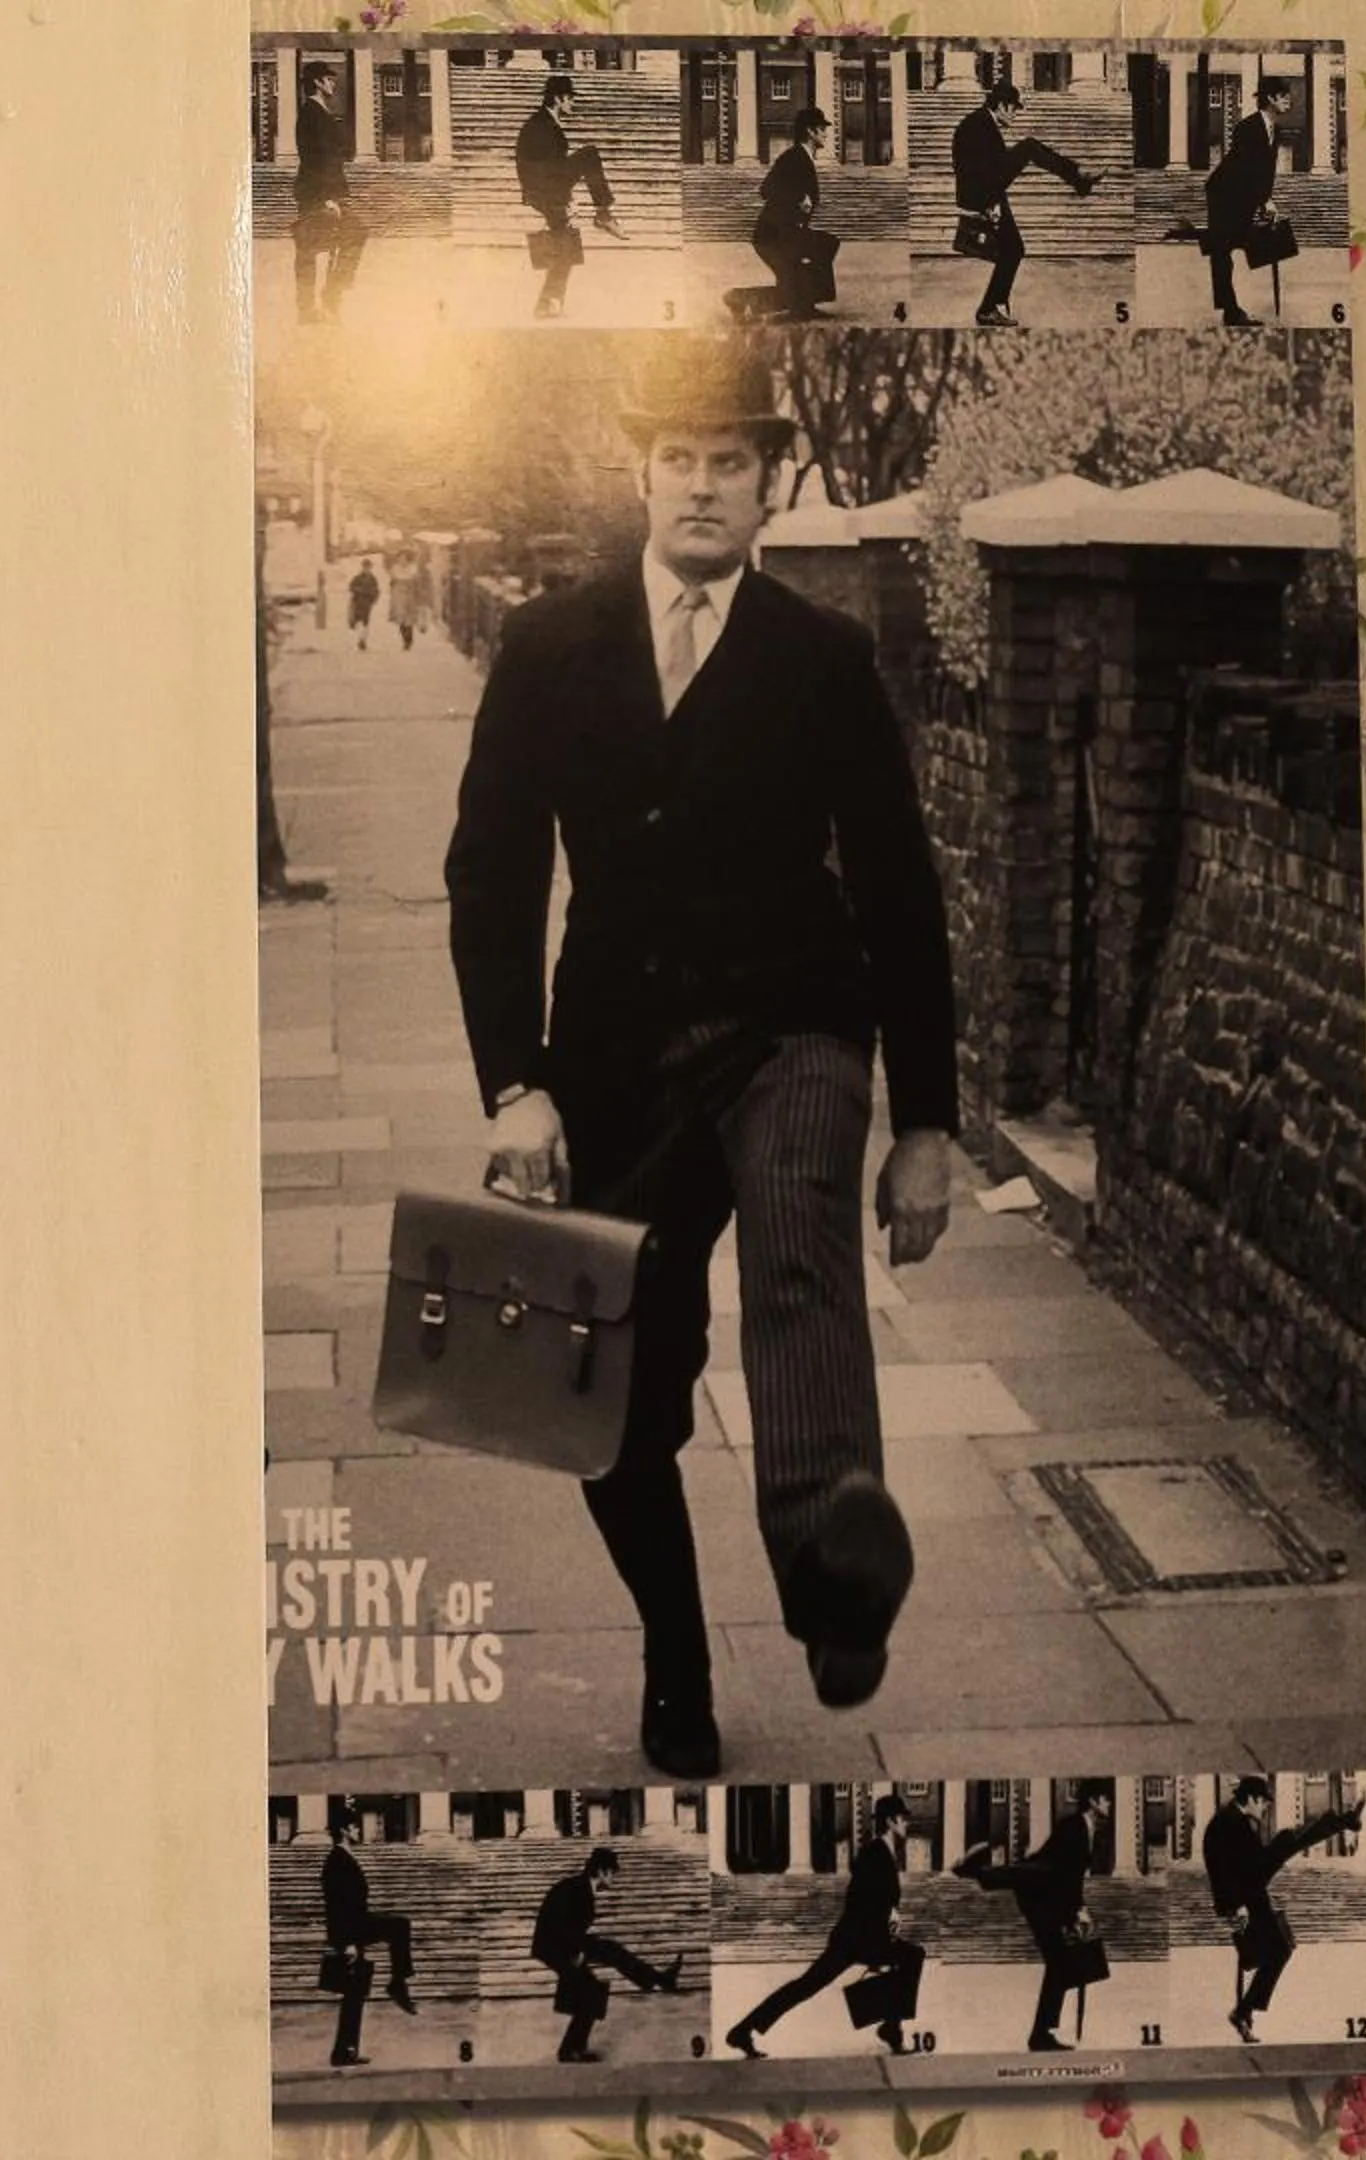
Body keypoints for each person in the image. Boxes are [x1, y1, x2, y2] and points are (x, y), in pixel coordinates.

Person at [443, 339, 956, 1782]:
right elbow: (489, 877)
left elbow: (902, 889)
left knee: (798, 1259)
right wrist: (516, 1086)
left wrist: (926, 1121)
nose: (705, 485)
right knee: (610, 1395)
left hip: (795, 1025)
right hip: (610, 1057)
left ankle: (831, 1578)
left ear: (770, 484)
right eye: (681, 458)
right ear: (642, 474)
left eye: (733, 461)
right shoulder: (549, 647)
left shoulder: (822, 659)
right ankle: (677, 1651)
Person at [726, 1791, 928, 2058]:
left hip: (862, 1938)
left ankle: (892, 2027)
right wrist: (880, 1936)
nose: (907, 1823)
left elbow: (882, 1901)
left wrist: (887, 1927)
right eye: (903, 1818)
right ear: (890, 1822)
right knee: (806, 1986)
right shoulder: (875, 1853)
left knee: (807, 1985)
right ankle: (742, 2031)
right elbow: (859, 1899)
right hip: (855, 1939)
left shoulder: (883, 1852)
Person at [1204, 1776, 1366, 2042]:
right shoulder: (1228, 1824)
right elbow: (1220, 1871)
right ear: (1252, 1799)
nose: (1265, 1808)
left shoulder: (1232, 1821)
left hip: (1251, 1890)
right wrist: (1235, 1906)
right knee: (1276, 1950)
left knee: (1274, 1949)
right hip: (1245, 1897)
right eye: (1263, 1803)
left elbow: (1240, 1867)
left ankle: (1244, 2013)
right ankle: (1243, 2011)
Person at [959, 1785, 1111, 2052]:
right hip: (1041, 1896)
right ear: (1093, 1801)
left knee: (1059, 1964)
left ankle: (1041, 2034)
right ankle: (975, 1871)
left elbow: (1069, 1876)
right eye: (1106, 1798)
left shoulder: (1085, 1828)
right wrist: (1078, 1911)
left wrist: (1076, 1911)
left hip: (1047, 1896)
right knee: (1058, 1962)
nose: (1110, 1803)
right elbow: (1065, 1873)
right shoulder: (1074, 1826)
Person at [948, 78, 1099, 327]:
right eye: (1014, 109)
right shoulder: (976, 125)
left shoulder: (982, 123)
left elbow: (988, 164)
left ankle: (990, 307)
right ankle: (1078, 176)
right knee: (1029, 147)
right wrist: (984, 207)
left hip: (989, 191)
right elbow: (968, 169)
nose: (1016, 115)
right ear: (1002, 106)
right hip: (983, 195)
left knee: (1014, 249)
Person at [529, 1848, 681, 2063]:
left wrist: (578, 1947)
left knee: (610, 1951)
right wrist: (575, 1953)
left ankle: (659, 1979)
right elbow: (560, 1923)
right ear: (600, 1871)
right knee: (590, 1990)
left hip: (565, 1942)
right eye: (611, 1873)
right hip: (555, 1946)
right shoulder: (577, 1889)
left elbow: (571, 1925)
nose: (613, 1879)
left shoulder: (581, 1887)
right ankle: (570, 2050)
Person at [516, 72, 626, 319]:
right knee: (590, 155)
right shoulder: (540, 126)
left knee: (565, 243)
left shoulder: (545, 123)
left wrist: (563, 198)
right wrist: (560, 201)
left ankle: (547, 303)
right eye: (570, 98)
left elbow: (552, 166)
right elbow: (534, 169)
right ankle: (603, 213)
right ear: (557, 98)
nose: (573, 103)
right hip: (544, 190)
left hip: (548, 188)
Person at [1201, 83, 1293, 328]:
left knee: (1235, 245)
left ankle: (1215, 242)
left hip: (1242, 195)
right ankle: (1231, 312)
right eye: (1284, 97)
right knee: (1223, 251)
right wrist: (1263, 201)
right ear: (1270, 98)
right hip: (1224, 193)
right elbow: (1245, 169)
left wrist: (1267, 198)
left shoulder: (1275, 129)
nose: (1289, 101)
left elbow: (1267, 171)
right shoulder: (1247, 127)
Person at [320, 1817, 421, 2019]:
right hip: (349, 1928)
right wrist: (348, 1942)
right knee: (352, 1991)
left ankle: (397, 1983)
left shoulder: (344, 1856)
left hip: (356, 1923)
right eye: (355, 1826)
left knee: (355, 1991)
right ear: (344, 1830)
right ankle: (397, 1983)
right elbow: (336, 1904)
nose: (359, 1830)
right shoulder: (336, 1859)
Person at [752, 106, 843, 321]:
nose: (826, 134)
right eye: (822, 129)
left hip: (786, 233)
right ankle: (803, 303)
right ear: (810, 132)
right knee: (806, 258)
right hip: (771, 237)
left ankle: (805, 302)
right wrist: (797, 198)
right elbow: (766, 189)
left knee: (825, 245)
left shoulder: (804, 157)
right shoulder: (793, 157)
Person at [292, 66, 365, 324]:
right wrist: (327, 198)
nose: (333, 84)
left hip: (329, 191)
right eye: (329, 80)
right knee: (308, 249)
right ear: (317, 83)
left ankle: (328, 298)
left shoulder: (323, 113)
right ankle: (311, 308)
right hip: (316, 193)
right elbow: (312, 158)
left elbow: (340, 152)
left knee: (351, 234)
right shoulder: (310, 113)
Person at [390, 554, 434, 650]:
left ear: (407, 560)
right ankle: (404, 639)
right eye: (400, 559)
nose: (402, 561)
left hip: (410, 596)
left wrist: (418, 596)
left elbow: (417, 584)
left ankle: (408, 641)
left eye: (404, 559)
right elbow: (392, 584)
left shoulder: (413, 570)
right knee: (401, 619)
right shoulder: (395, 569)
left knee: (409, 619)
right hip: (399, 597)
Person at [348, 558, 383, 649]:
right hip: (358, 601)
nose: (366, 569)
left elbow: (376, 590)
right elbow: (351, 587)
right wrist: (358, 591)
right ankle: (360, 639)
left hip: (367, 602)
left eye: (368, 567)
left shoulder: (372, 579)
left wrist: (374, 599)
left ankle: (362, 640)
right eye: (365, 567)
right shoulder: (358, 577)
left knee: (365, 621)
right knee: (358, 621)